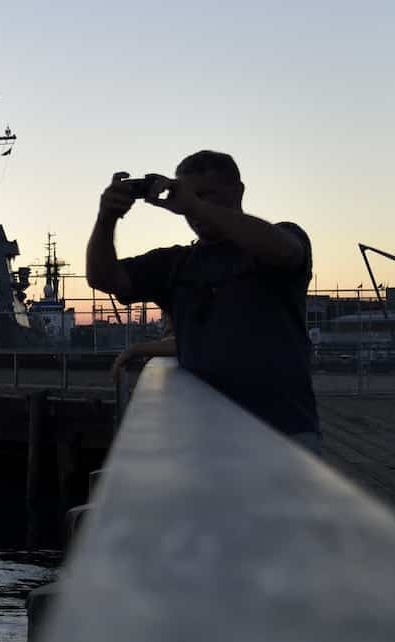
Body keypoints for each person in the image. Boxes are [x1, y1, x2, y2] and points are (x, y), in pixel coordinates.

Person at [86, 150, 321, 450]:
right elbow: (103, 278)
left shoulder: (280, 238)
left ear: (239, 191)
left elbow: (287, 252)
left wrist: (195, 205)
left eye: (209, 195)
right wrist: (106, 219)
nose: (193, 207)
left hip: (284, 431)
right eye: (189, 195)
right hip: (202, 435)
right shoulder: (174, 264)